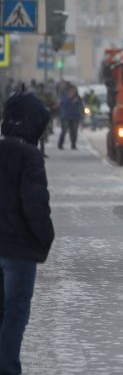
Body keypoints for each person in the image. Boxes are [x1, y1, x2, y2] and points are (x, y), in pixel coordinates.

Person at [0, 90, 55, 375]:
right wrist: (46, 237)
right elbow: (35, 204)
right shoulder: (29, 155)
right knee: (15, 314)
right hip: (19, 252)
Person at [57, 85, 83, 150]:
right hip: (65, 116)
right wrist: (69, 99)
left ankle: (73, 144)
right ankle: (60, 144)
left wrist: (80, 115)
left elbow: (81, 106)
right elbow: (62, 104)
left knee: (74, 131)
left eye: (74, 91)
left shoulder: (78, 98)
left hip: (74, 117)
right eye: (72, 90)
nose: (73, 92)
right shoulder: (64, 96)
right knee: (64, 131)